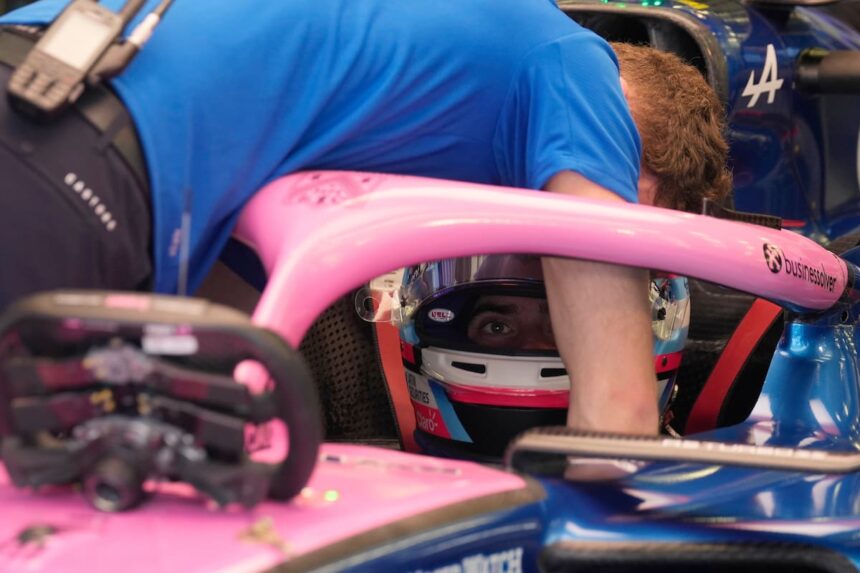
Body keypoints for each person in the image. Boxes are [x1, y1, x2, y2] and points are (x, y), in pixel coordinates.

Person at [0, 0, 729, 436]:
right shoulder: (577, 67)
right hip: (70, 156)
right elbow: (618, 413)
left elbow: (209, 345)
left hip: (40, 81)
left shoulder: (374, 78)